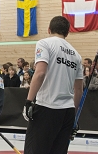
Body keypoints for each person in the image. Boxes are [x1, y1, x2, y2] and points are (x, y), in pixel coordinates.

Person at [22, 16, 83, 153]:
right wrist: (73, 116)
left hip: (47, 107)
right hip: (67, 112)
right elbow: (78, 89)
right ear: (67, 33)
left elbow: (40, 73)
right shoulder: (76, 55)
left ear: (49, 30)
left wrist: (28, 101)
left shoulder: (45, 43)